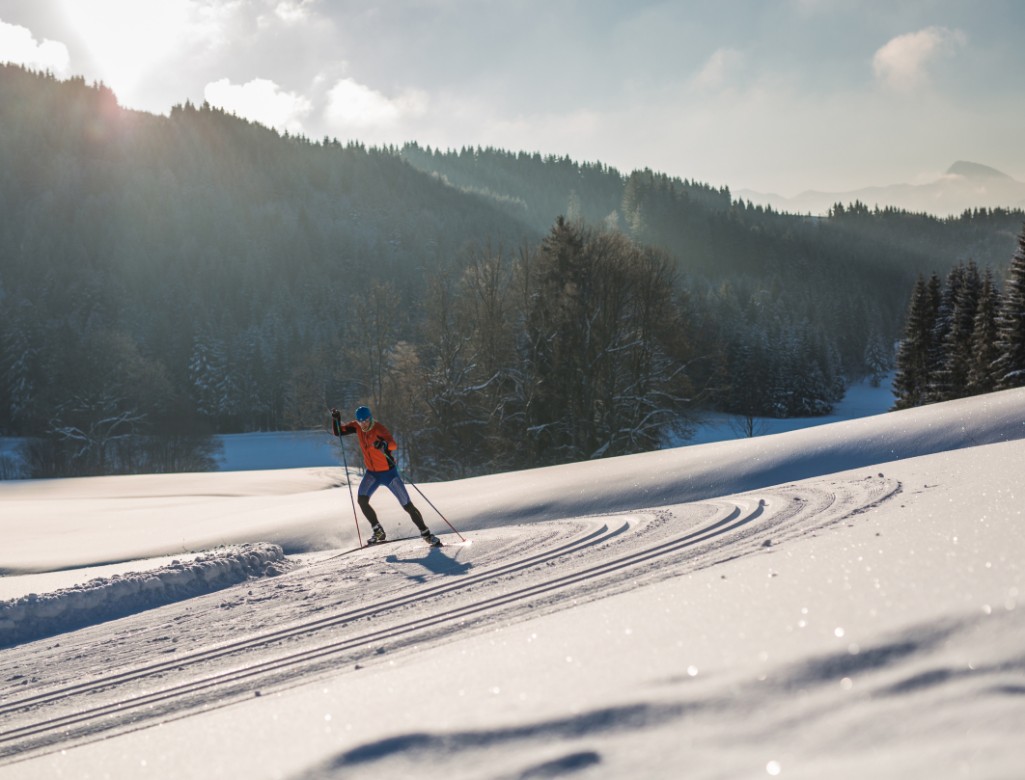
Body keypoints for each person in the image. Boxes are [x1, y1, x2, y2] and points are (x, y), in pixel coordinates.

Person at [331, 405, 441, 547]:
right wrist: (336, 420)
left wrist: (383, 444)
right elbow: (338, 432)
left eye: (365, 421)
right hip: (372, 474)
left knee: (407, 505)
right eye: (360, 422)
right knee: (362, 500)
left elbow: (393, 444)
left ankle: (426, 534)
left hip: (389, 474)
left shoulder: (379, 429)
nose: (363, 424)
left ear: (370, 418)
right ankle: (378, 531)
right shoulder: (357, 427)